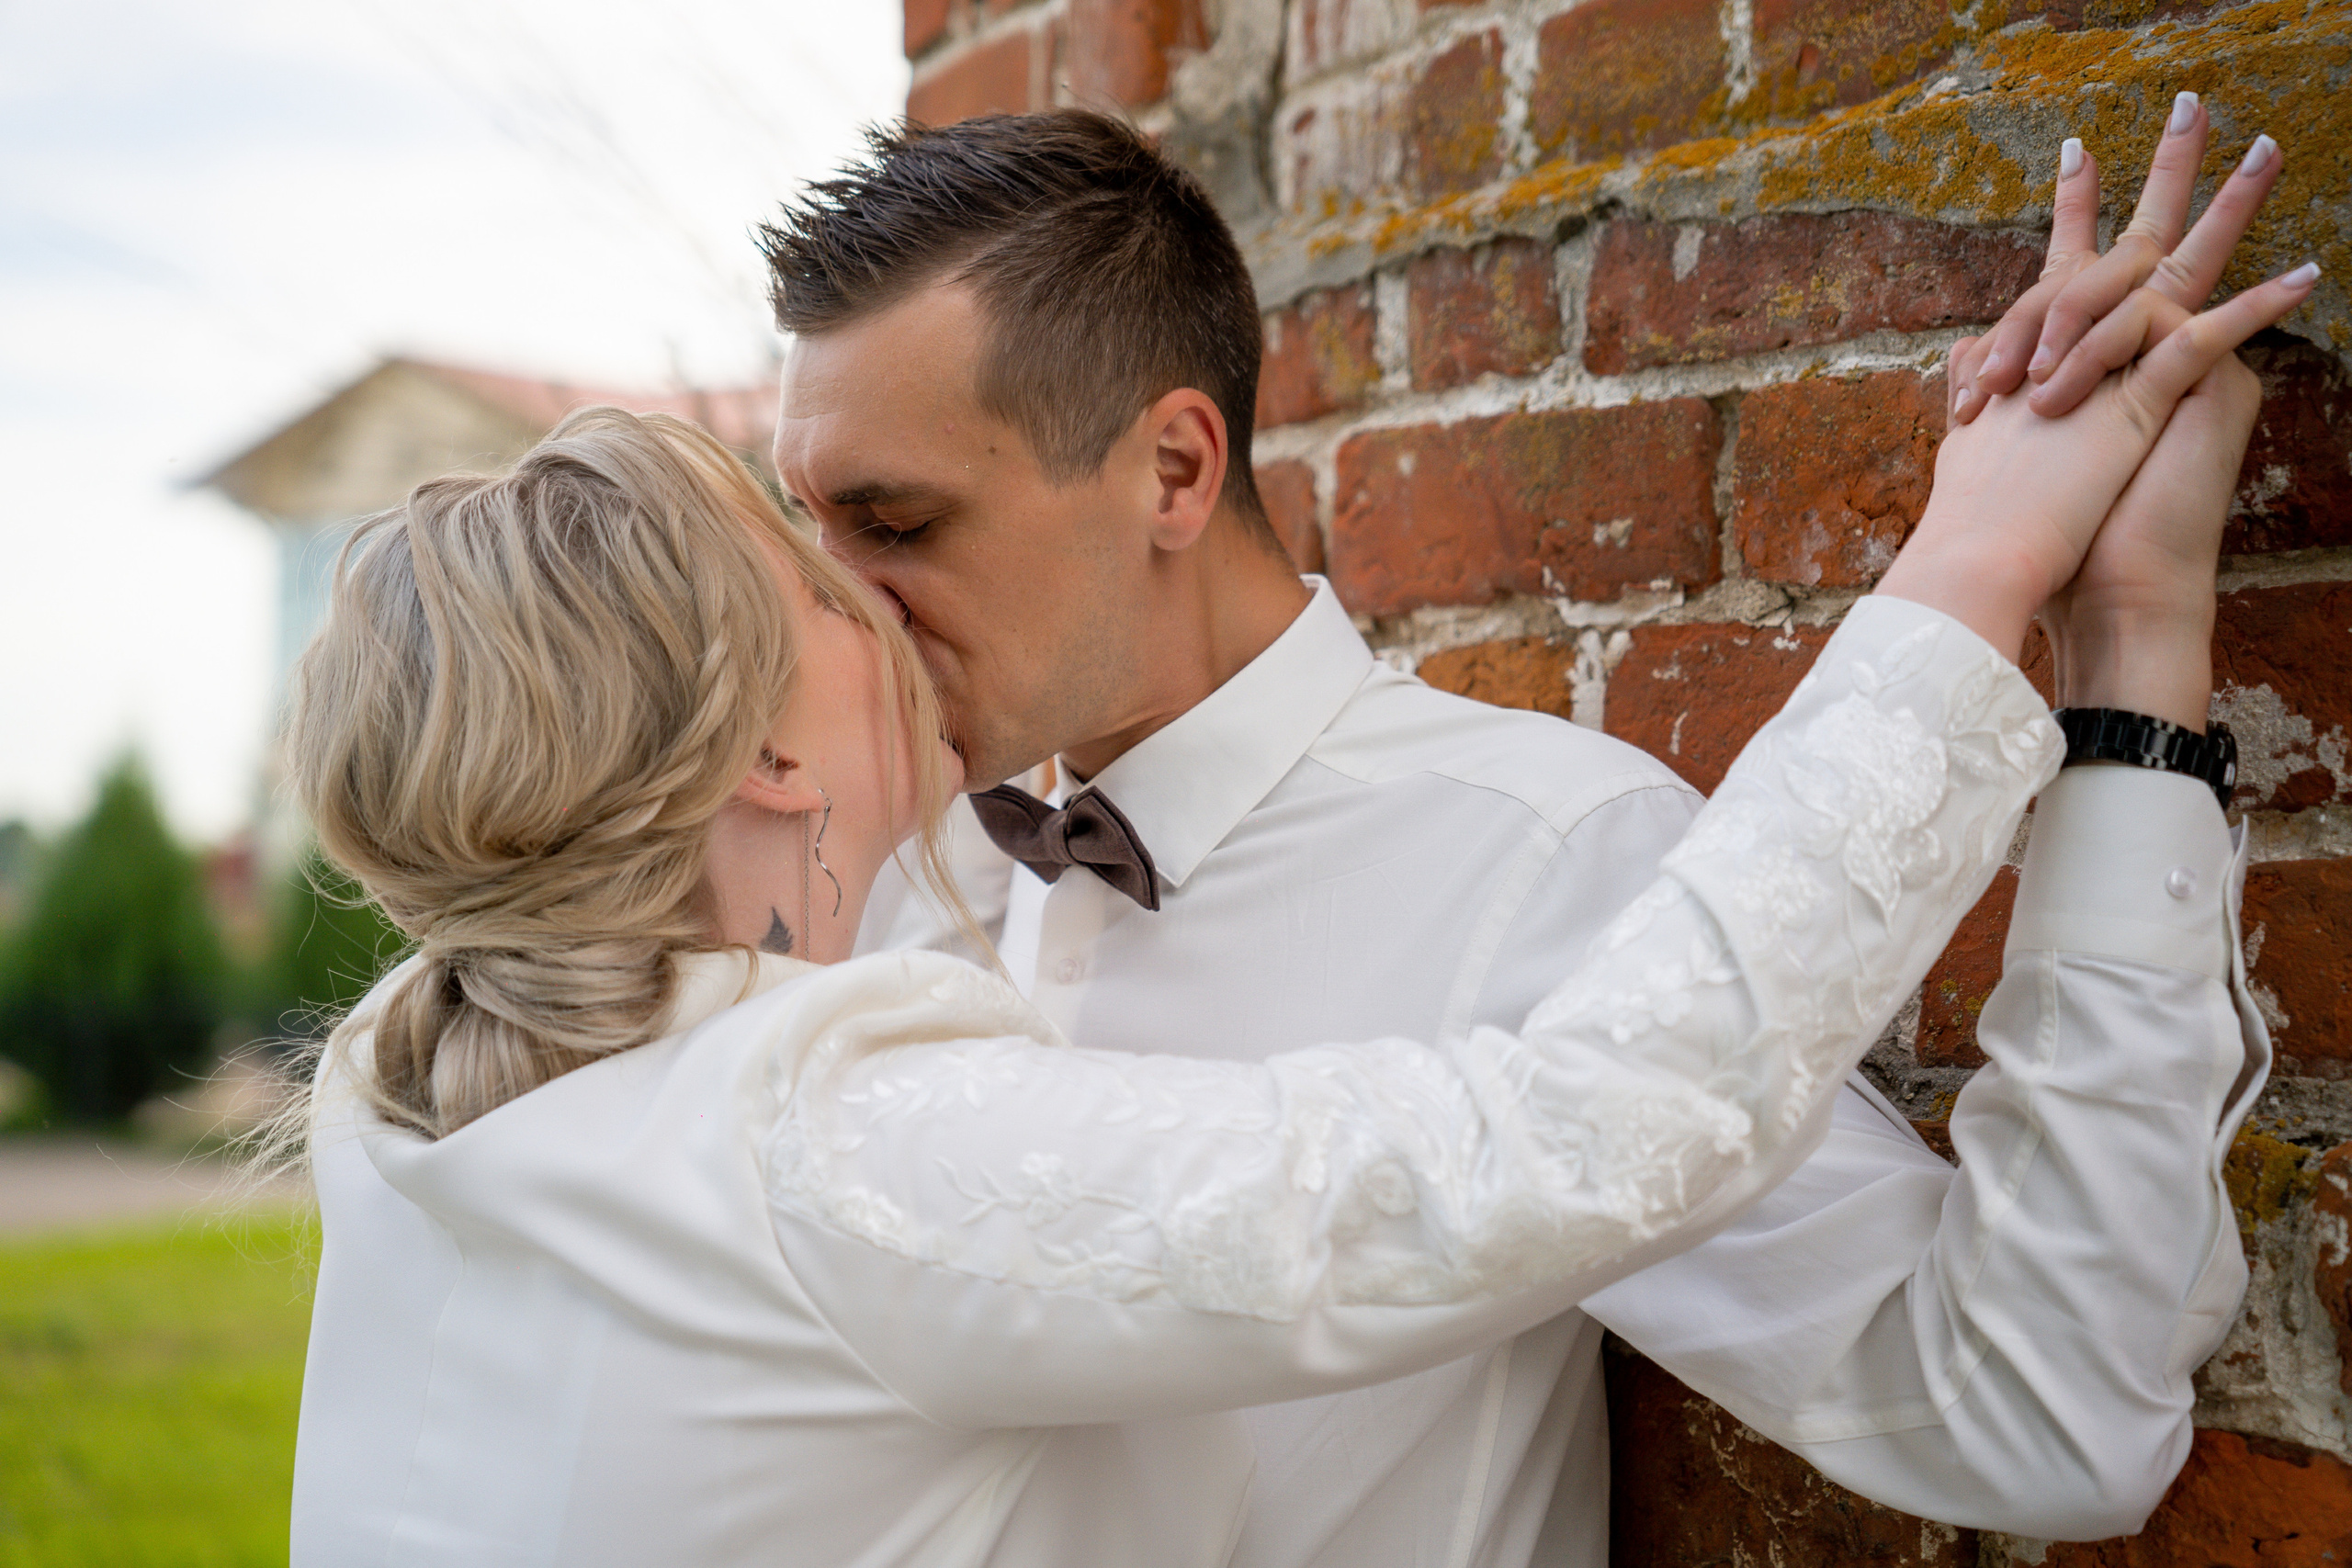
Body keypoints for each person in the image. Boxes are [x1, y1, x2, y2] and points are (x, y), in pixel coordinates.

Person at [285, 205, 2295, 1559]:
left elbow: (2031, 1411)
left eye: (888, 523)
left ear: (1171, 471)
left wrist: (2131, 684)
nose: (857, 605)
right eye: (805, 560)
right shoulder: (790, 956)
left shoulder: (1534, 862)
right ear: (753, 749)